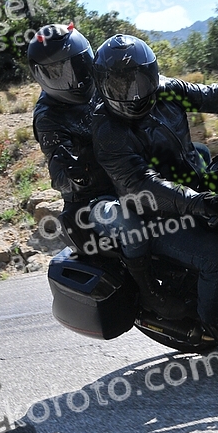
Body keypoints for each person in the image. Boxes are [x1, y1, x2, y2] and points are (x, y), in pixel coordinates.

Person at [91, 33, 218, 346]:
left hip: (194, 190)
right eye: (121, 85)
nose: (133, 93)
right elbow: (140, 183)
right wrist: (196, 203)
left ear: (152, 74)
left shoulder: (167, 90)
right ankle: (214, 321)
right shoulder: (107, 128)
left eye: (139, 81)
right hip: (156, 216)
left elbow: (216, 96)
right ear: (103, 85)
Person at [29, 24, 185, 319]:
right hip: (93, 199)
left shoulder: (101, 84)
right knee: (127, 221)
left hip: (128, 171)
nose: (74, 79)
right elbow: (58, 172)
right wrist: (75, 172)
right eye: (59, 73)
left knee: (195, 156)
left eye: (77, 66)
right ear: (41, 77)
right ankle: (150, 292)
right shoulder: (48, 117)